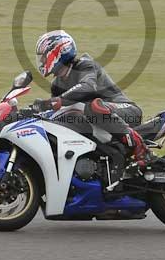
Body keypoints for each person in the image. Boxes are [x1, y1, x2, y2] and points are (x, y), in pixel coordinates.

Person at [31, 29, 151, 167]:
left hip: (126, 110)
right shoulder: (57, 84)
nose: (41, 61)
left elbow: (87, 87)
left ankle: (140, 147)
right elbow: (58, 111)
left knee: (94, 107)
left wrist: (57, 101)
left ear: (59, 51)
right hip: (100, 122)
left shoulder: (85, 65)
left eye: (44, 56)